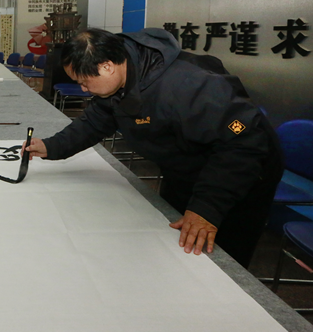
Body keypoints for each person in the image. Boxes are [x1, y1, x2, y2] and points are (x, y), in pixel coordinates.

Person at [24, 28, 283, 268]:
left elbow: (243, 143)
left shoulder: (189, 84)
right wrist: (51, 146)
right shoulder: (120, 79)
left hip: (240, 174)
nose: (83, 88)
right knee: (171, 241)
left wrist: (207, 209)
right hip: (185, 165)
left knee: (217, 256)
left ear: (107, 66)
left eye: (84, 81)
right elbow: (95, 121)